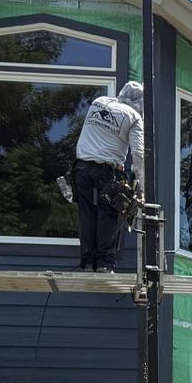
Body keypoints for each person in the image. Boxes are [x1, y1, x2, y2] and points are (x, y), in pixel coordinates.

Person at [71, 81, 145, 272]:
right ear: (140, 102)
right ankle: (104, 264)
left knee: (87, 214)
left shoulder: (99, 102)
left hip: (81, 167)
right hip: (108, 170)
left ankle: (88, 262)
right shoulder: (134, 117)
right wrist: (142, 187)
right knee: (109, 214)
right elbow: (138, 155)